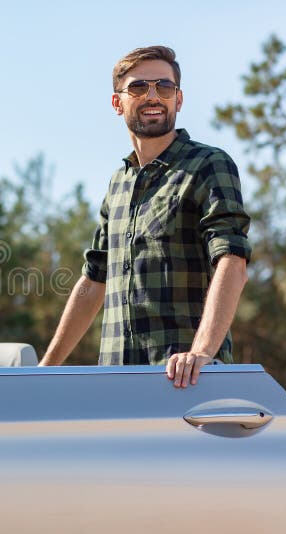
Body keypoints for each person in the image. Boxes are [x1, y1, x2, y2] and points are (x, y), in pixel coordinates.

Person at [39, 46, 251, 389]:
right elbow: (93, 281)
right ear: (117, 103)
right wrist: (43, 371)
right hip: (115, 383)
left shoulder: (208, 165)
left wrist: (199, 354)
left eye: (164, 87)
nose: (153, 96)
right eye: (138, 87)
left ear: (178, 100)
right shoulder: (118, 183)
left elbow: (232, 261)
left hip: (185, 382)